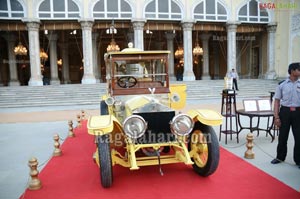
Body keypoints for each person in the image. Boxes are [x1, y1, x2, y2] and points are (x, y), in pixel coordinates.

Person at [271, 62, 300, 169]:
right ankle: (280, 157)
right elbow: (277, 101)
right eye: (298, 69)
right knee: (283, 136)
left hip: (298, 113)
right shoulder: (282, 85)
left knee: (299, 137)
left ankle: (298, 160)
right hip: (285, 112)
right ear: (292, 71)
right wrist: (276, 117)